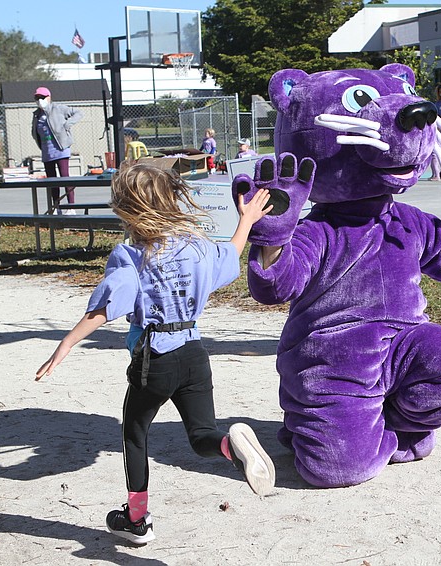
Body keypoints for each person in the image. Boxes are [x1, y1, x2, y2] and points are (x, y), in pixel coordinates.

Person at [35, 163, 277, 545]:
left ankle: (136, 518)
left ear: (129, 209)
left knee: (134, 431)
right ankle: (232, 447)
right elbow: (229, 258)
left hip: (156, 359)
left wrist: (66, 343)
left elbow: (107, 305)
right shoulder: (197, 248)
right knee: (202, 437)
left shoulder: (132, 255)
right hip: (195, 353)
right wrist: (245, 220)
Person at [31, 86, 83, 214]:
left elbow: (78, 113)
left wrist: (67, 125)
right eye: (37, 98)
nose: (39, 100)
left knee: (65, 178)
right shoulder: (37, 114)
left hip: (61, 150)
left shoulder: (58, 109)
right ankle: (56, 207)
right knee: (52, 181)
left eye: (42, 97)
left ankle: (71, 207)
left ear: (48, 98)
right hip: (47, 151)